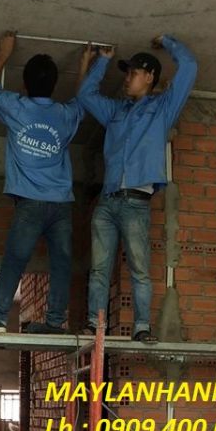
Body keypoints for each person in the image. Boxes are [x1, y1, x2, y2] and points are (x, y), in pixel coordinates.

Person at [0, 31, 88, 335]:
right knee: (61, 264)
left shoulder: (16, 106)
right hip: (61, 204)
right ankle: (55, 323)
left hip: (30, 204)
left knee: (15, 260)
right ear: (54, 85)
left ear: (25, 83)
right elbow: (83, 101)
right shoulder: (64, 115)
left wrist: (4, 53)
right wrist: (85, 65)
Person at [78, 35, 197, 343]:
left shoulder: (163, 108)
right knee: (99, 270)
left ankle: (142, 327)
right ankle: (94, 324)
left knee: (140, 270)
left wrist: (167, 41)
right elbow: (86, 95)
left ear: (149, 77)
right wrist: (102, 61)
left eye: (133, 73)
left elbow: (189, 65)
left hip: (135, 203)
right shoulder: (116, 111)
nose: (127, 78)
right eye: (127, 73)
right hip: (107, 201)